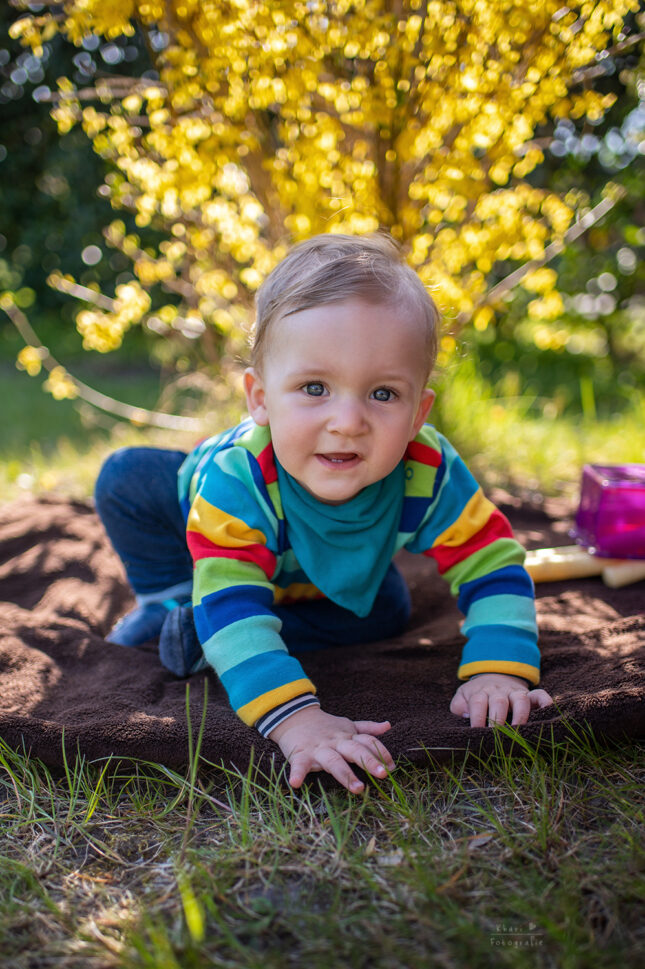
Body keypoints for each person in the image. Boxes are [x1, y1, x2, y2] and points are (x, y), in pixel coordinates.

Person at [95, 233, 553, 793]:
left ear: (417, 412)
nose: (348, 421)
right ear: (260, 398)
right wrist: (296, 720)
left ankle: (204, 631)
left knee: (387, 613)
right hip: (214, 540)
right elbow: (232, 592)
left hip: (313, 576)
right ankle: (172, 596)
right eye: (315, 387)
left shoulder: (428, 468)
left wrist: (499, 667)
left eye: (383, 394)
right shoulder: (239, 478)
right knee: (126, 478)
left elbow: (493, 563)